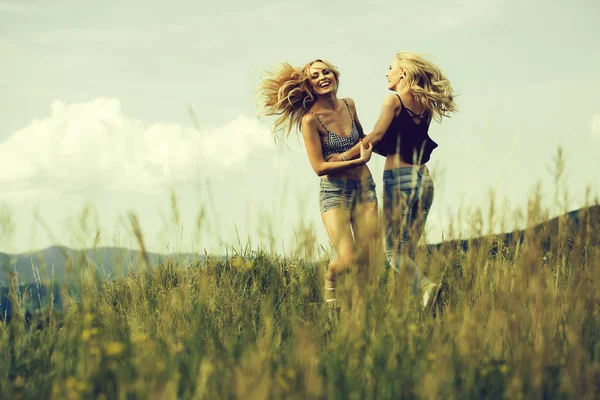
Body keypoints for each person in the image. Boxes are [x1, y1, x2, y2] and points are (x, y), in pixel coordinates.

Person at [327, 52, 457, 310]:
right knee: (406, 251)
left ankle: (426, 288)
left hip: (400, 181)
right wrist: (362, 139)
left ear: (403, 73)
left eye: (391, 68)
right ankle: (424, 307)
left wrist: (341, 157)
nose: (387, 73)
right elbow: (396, 143)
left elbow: (376, 136)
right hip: (424, 180)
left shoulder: (393, 100)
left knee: (394, 254)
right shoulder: (425, 105)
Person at [257, 59, 379, 308]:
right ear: (309, 85)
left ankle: (360, 308)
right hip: (335, 193)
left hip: (365, 188)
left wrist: (360, 150)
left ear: (335, 76)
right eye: (315, 76)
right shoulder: (310, 120)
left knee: (368, 258)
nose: (323, 77)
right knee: (346, 258)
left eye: (326, 72)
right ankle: (331, 278)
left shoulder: (350, 105)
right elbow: (320, 167)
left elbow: (364, 139)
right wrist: (354, 157)